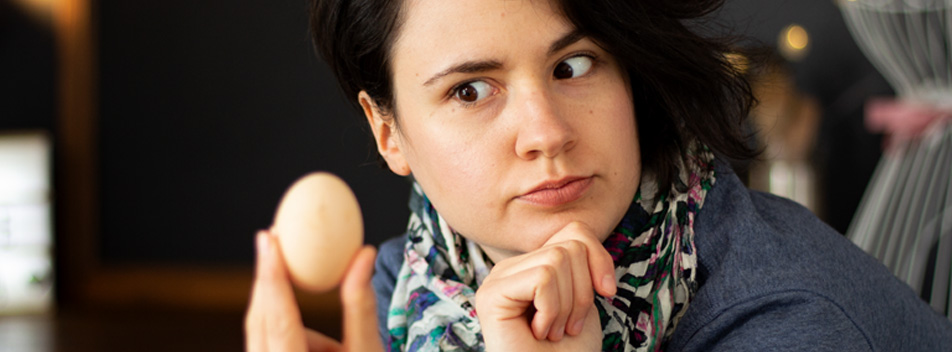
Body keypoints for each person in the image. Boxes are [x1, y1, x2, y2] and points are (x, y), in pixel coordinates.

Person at [245, 0, 952, 350]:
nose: (547, 133)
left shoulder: (792, 320)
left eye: (573, 65)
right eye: (471, 90)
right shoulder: (408, 293)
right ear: (388, 132)